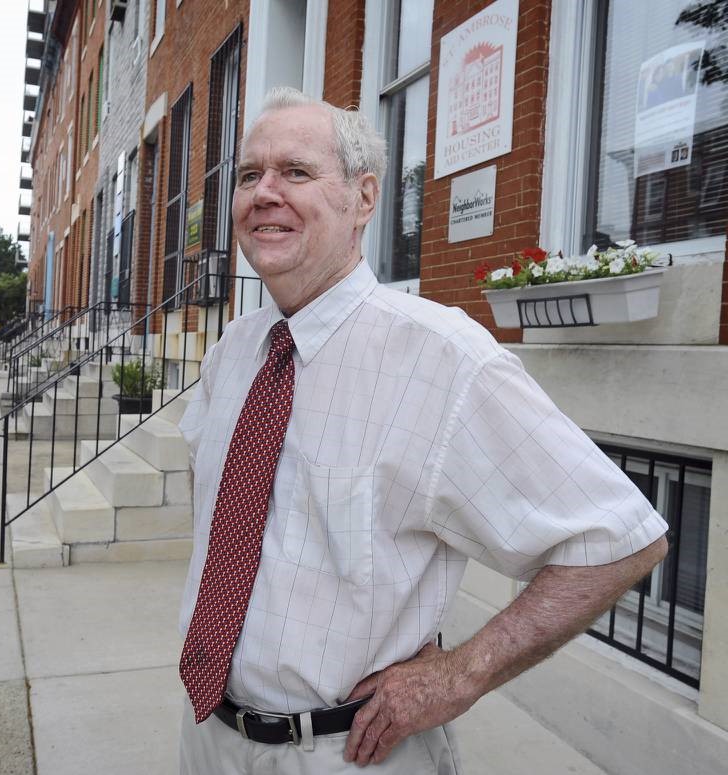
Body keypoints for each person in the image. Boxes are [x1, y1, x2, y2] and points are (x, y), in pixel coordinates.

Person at [176, 88, 669, 773]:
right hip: (207, 737)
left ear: (364, 199)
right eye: (249, 174)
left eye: (295, 172)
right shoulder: (233, 353)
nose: (264, 193)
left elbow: (619, 539)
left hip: (347, 753)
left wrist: (459, 674)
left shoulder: (444, 359)